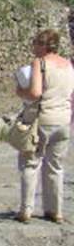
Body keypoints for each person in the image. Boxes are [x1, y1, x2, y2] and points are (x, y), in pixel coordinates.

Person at [15, 29, 74, 223]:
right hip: (63, 120)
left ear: (43, 45)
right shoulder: (68, 65)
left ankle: (26, 210)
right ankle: (54, 211)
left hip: (43, 119)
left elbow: (35, 93)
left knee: (30, 163)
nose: (33, 47)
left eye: (35, 43)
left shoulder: (39, 64)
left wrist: (20, 91)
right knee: (55, 167)